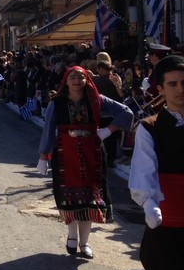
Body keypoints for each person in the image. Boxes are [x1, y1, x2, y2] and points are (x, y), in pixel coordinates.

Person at [37, 66, 133, 259]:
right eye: (72, 77)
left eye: (81, 77)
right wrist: (43, 157)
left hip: (93, 154)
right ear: (66, 80)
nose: (77, 81)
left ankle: (85, 242)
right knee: (69, 195)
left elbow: (127, 112)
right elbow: (48, 130)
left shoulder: (96, 100)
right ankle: (72, 237)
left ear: (87, 80)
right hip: (65, 154)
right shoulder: (57, 103)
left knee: (91, 197)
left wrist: (108, 130)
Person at [129, 55, 184, 270]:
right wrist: (148, 202)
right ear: (161, 89)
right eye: (172, 83)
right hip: (169, 217)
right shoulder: (150, 127)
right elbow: (143, 168)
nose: (180, 89)